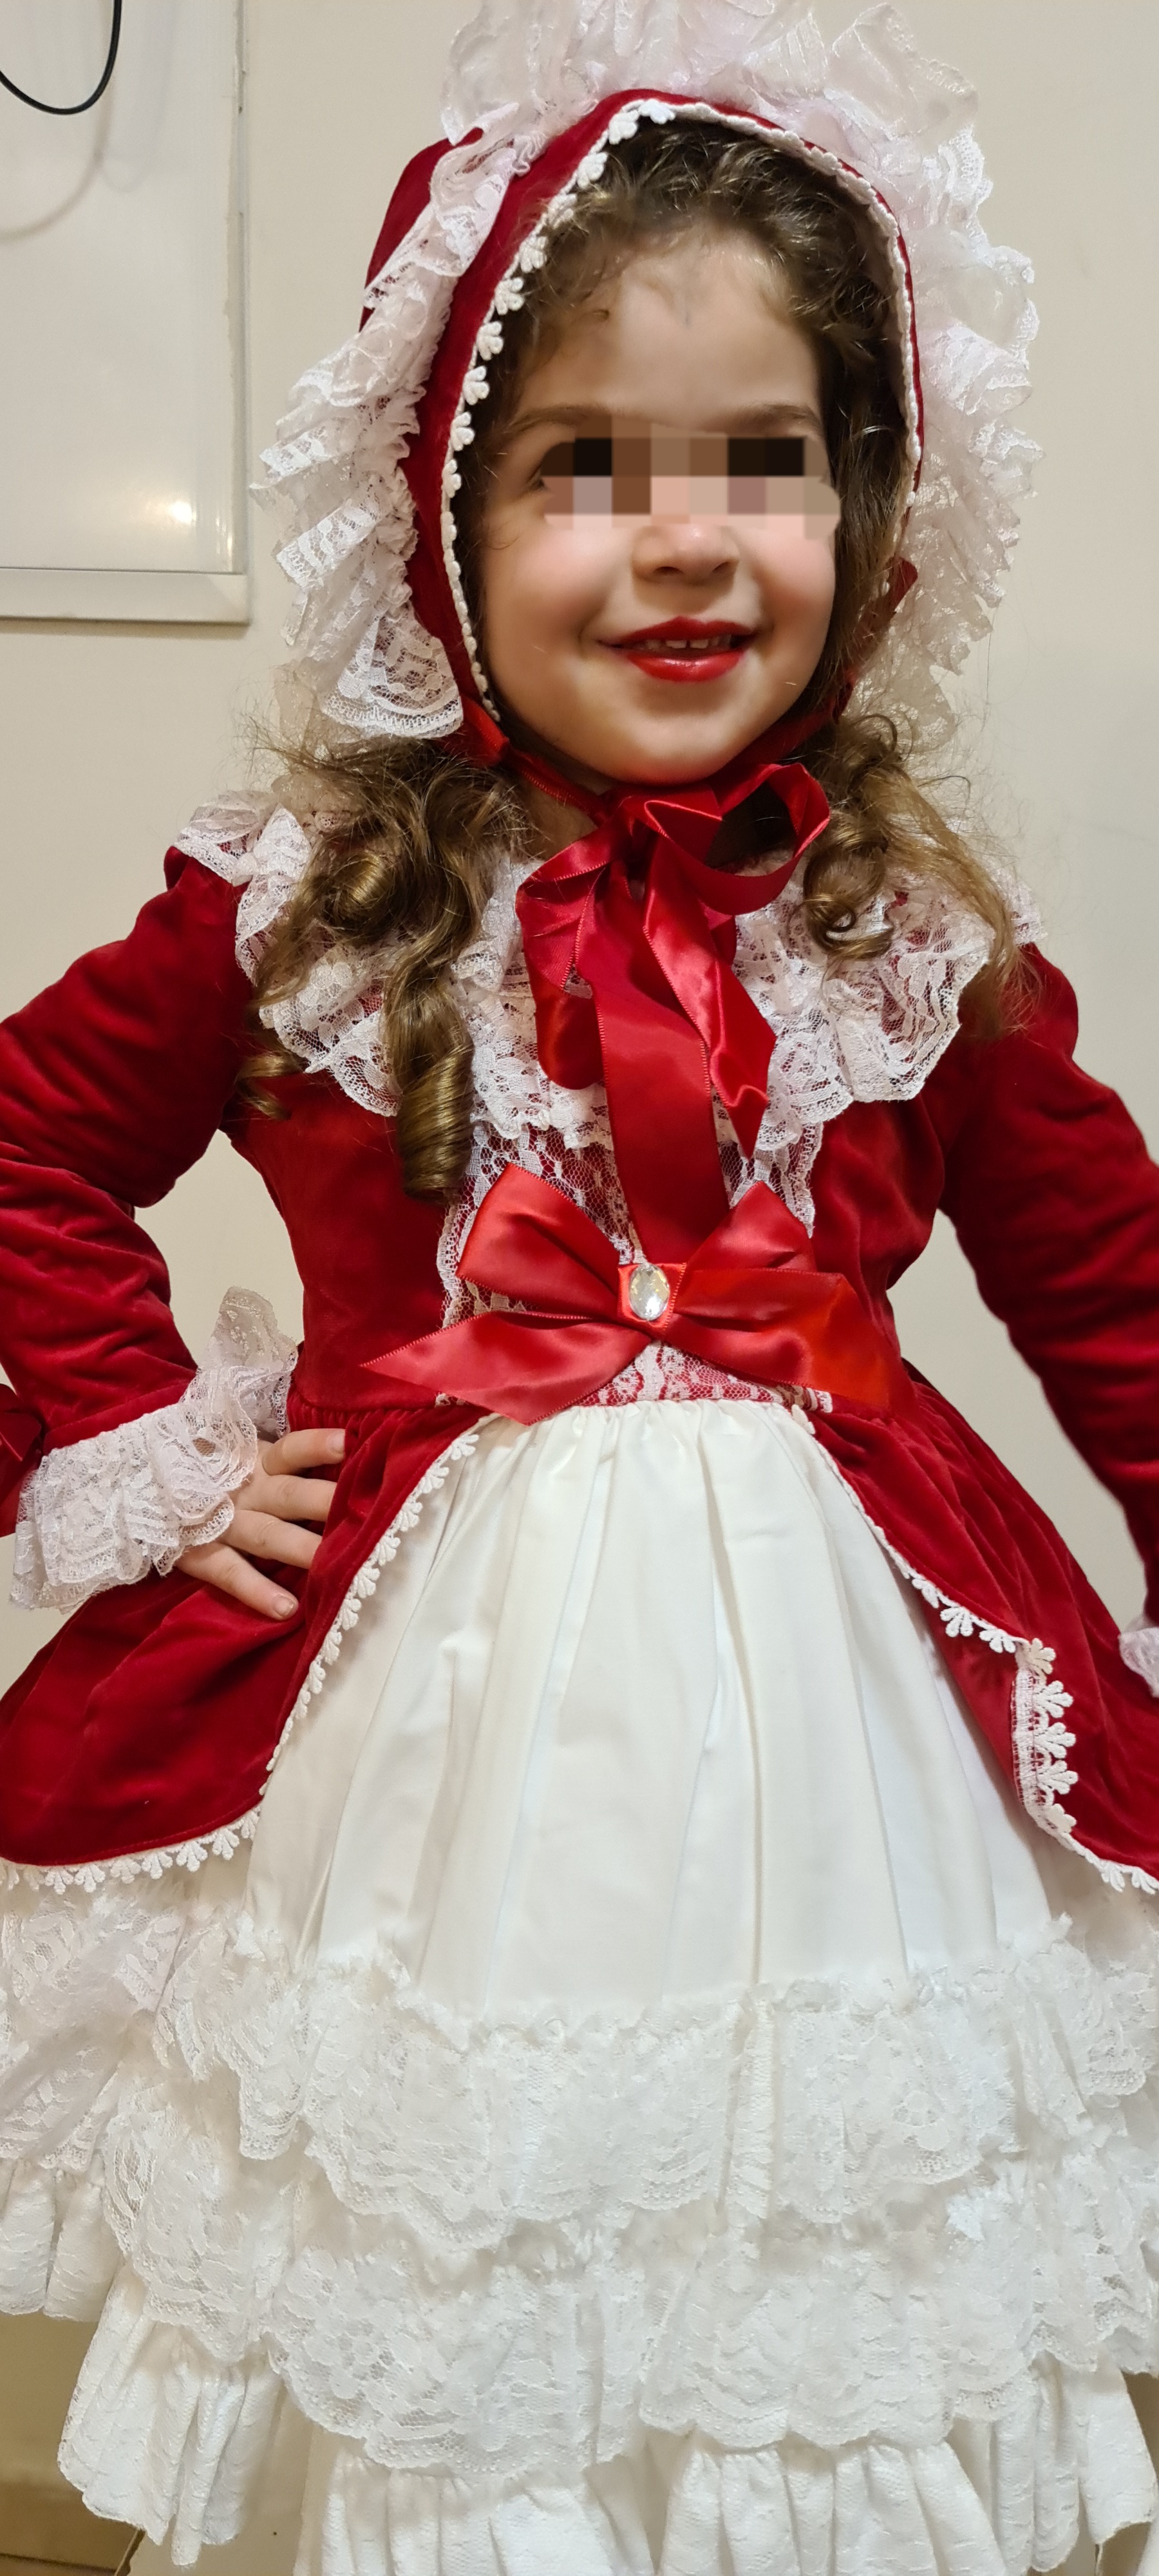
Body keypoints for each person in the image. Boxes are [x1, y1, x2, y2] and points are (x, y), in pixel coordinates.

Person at [1, 3, 1159, 2570]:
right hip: (432, 1752)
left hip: (849, 1750)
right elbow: (24, 1148)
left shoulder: (911, 943)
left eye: (766, 457)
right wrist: (138, 1445)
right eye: (585, 469)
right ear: (442, 512)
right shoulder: (303, 914)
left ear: (871, 504)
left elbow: (1123, 1303)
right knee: (466, 2274)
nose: (685, 540)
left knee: (812, 2262)